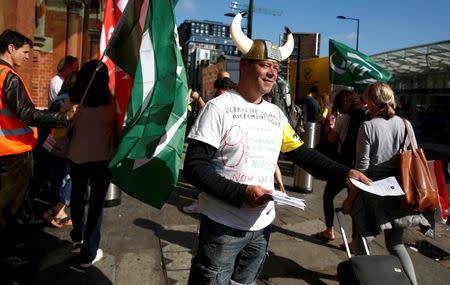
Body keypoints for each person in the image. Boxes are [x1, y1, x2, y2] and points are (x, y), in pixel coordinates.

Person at [183, 13, 371, 284]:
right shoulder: (218, 107)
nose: (273, 72)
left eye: (276, 67)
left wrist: (345, 173)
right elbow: (194, 167)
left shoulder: (275, 113)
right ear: (245, 66)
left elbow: (301, 153)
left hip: (262, 227)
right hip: (223, 227)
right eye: (264, 65)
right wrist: (241, 193)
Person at [342, 82, 432, 285]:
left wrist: (350, 198)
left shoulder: (368, 127)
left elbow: (361, 169)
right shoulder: (406, 124)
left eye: (366, 99)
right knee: (396, 244)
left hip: (372, 192)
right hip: (400, 191)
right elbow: (413, 156)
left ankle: (366, 279)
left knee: (364, 241)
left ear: (373, 103)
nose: (364, 103)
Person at [0, 30, 73, 251]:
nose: (27, 57)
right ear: (10, 49)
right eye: (25, 52)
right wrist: (63, 117)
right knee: (8, 208)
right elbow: (27, 113)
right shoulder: (9, 77)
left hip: (5, 151)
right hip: (14, 154)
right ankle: (6, 252)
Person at [68, 60, 117, 267]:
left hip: (76, 157)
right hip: (102, 159)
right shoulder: (112, 104)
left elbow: (63, 126)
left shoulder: (72, 103)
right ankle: (89, 252)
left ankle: (77, 235)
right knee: (96, 206)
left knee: (77, 196)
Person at [315, 90, 368, 250]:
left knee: (328, 196)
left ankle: (329, 230)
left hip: (343, 165)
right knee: (355, 203)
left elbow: (331, 139)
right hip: (359, 165)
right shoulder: (364, 117)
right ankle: (354, 241)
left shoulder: (343, 118)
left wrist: (329, 124)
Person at [41, 71, 78, 228]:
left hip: (55, 145)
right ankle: (56, 211)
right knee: (68, 178)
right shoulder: (68, 102)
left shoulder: (60, 99)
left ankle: (58, 211)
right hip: (63, 147)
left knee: (58, 179)